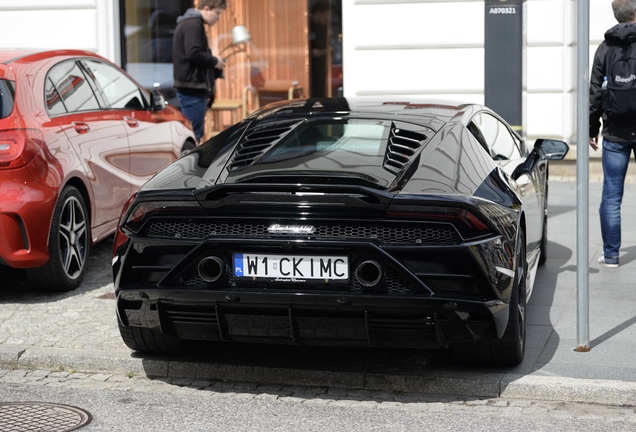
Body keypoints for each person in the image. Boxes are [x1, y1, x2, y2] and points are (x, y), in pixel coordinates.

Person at [589, 0, 636, 268]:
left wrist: (592, 129)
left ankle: (611, 256)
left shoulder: (605, 48)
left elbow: (595, 93)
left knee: (611, 196)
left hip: (615, 133)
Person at [173, 0, 227, 143]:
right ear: (207, 9)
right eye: (217, 13)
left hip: (191, 86)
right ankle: (189, 165)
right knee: (192, 135)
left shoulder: (190, 23)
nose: (218, 18)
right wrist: (215, 61)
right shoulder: (193, 24)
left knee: (192, 133)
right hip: (193, 87)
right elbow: (194, 53)